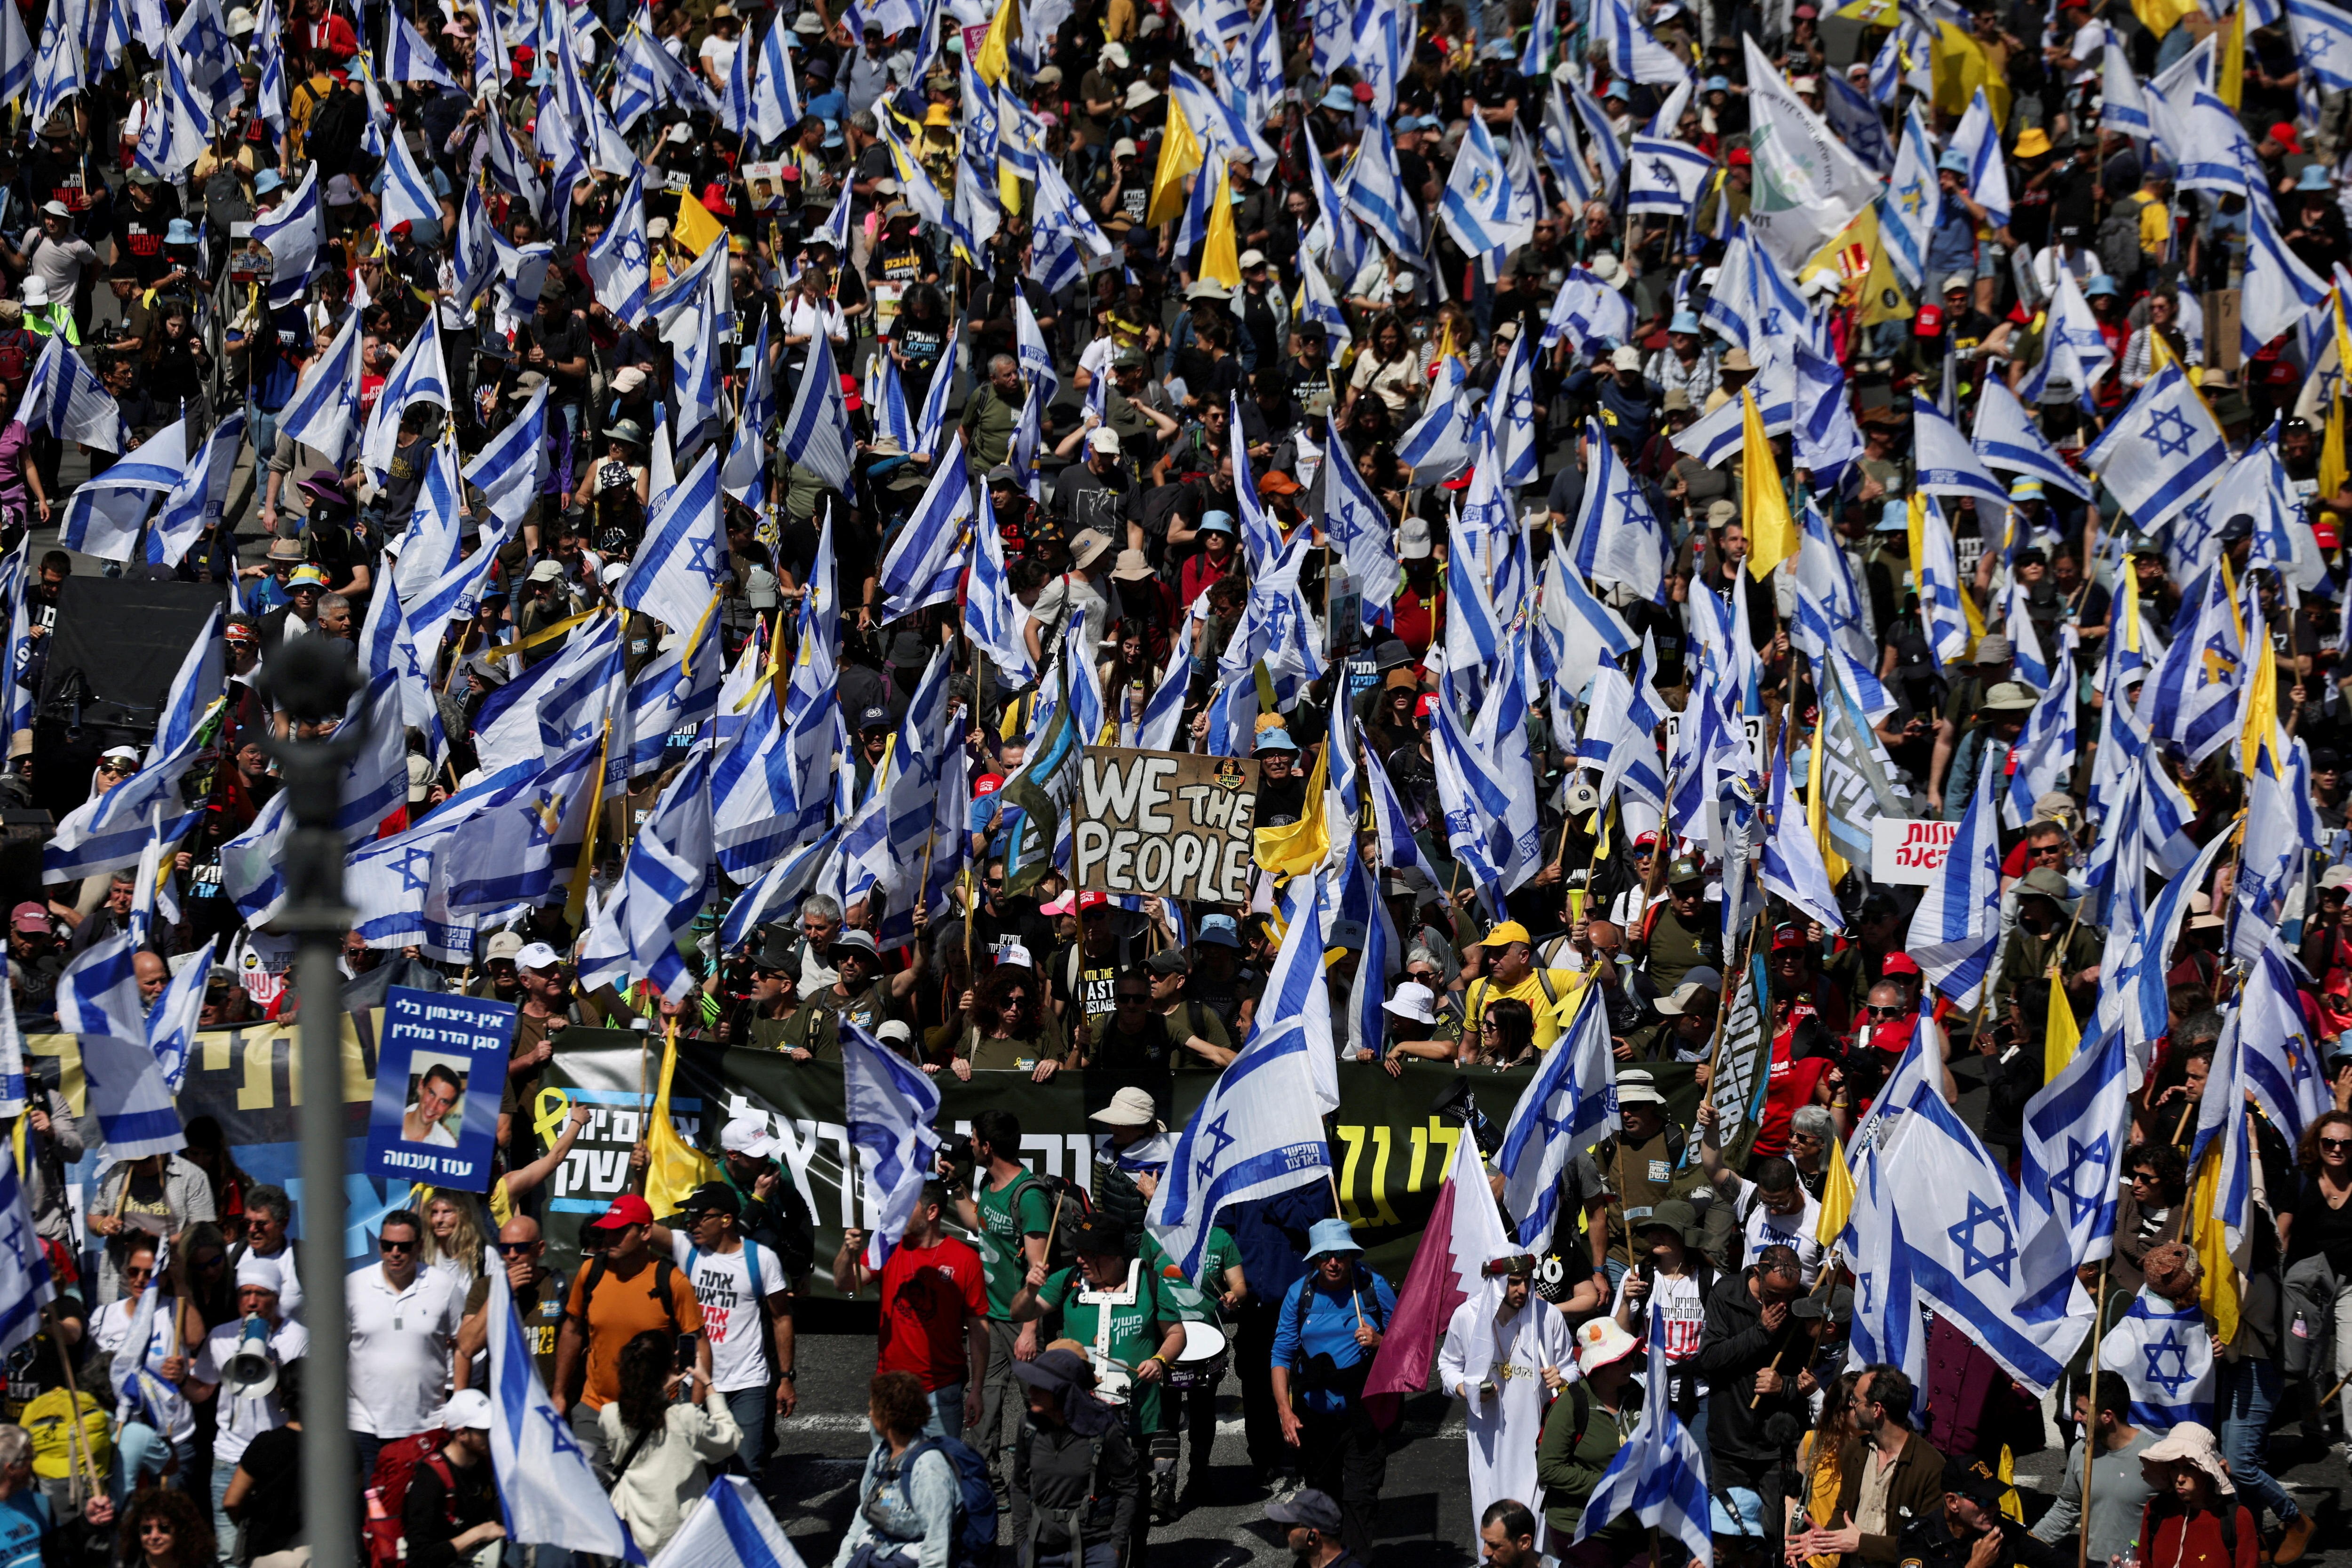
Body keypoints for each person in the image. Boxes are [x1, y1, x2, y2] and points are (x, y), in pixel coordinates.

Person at [552, 1193, 709, 1476]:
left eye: (621, 1231)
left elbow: (699, 1347)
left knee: (644, 1502)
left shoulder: (673, 1282)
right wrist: (560, 1393)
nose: (611, 1238)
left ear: (646, 1232)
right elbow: (573, 1331)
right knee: (589, 1494)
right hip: (594, 1410)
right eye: (608, 1231)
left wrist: (694, 1410)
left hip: (651, 1416)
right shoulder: (591, 1272)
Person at [1269, 1219, 1397, 1562]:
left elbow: (1407, 1345)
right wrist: (1285, 1410)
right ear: (1315, 1258)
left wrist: (1380, 1340)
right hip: (1316, 1421)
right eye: (1325, 1255)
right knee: (1322, 1504)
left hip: (1363, 1417)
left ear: (1350, 1254)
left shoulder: (1374, 1286)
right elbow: (1281, 1354)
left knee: (1360, 1501)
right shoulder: (1300, 1294)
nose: (1334, 1263)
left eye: (1340, 1254)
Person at [649, 1183, 795, 1475]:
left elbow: (782, 1318)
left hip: (747, 1384)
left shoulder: (761, 1260)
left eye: (700, 1217)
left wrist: (786, 1378)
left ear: (726, 1220)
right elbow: (642, 1227)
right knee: (702, 1468)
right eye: (688, 1218)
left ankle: (744, 1519)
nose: (691, 1224)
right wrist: (639, 1175)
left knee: (748, 1468)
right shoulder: (686, 1247)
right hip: (697, 1381)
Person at [835, 1181, 989, 1441]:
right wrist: (846, 1252)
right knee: (888, 1475)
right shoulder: (887, 1245)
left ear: (931, 1212)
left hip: (940, 1392)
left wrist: (977, 1389)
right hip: (891, 1390)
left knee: (939, 1474)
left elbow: (978, 1328)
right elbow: (845, 1283)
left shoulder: (965, 1260)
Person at [948, 1109, 1054, 1482]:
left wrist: (1029, 1330)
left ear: (988, 1146)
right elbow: (980, 1223)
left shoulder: (1029, 1197)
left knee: (1038, 1401)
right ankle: (984, 1476)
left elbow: (1037, 1272)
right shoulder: (989, 1187)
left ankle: (1049, 1472)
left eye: (975, 1138)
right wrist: (957, 1187)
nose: (970, 1144)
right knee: (985, 1397)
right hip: (989, 1318)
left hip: (1019, 1320)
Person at [1435, 1255, 1573, 1537]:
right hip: (1487, 1442)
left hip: (1536, 1441)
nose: (1523, 1289)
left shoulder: (1548, 1317)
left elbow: (1571, 1368)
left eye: (1526, 1280)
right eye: (1513, 1282)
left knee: (1529, 1531)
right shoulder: (1467, 1317)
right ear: (1495, 1283)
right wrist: (1464, 1388)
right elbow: (1447, 1365)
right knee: (1492, 1528)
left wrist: (1563, 1378)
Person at [184, 1254, 308, 1558]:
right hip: (230, 1456)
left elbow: (306, 1401)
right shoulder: (221, 1336)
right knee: (229, 1552)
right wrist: (178, 1380)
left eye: (261, 1293)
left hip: (278, 1459)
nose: (252, 1301)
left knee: (275, 1550)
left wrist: (274, 1367)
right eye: (245, 1293)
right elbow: (202, 1391)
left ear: (276, 1297)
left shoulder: (300, 1337)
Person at [598, 1329, 743, 1553]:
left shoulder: (610, 1417)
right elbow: (730, 1439)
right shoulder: (686, 1419)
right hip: (684, 1540)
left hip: (636, 1538)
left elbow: (645, 1410)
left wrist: (660, 1386)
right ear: (671, 1366)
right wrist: (707, 1384)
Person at [346, 1211, 465, 1483]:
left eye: (404, 1247)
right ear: (380, 1246)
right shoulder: (352, 1287)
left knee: (418, 1512)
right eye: (388, 1246)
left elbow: (463, 1345)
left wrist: (457, 1401)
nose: (395, 1253)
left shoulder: (444, 1287)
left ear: (421, 1246)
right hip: (364, 1425)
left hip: (427, 1425)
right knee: (373, 1513)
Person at [1791, 1363, 1944, 1564]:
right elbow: (1843, 1511)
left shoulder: (1930, 1466)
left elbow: (1927, 1544)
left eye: (1856, 1400)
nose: (1852, 1405)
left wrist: (1862, 1543)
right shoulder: (1855, 1452)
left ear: (1876, 1410)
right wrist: (1825, 1539)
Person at [1009, 1345, 1141, 1568]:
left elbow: (1128, 1489)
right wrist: (1021, 1541)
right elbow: (1019, 1485)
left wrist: (1115, 1547)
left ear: (1063, 1392)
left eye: (1040, 1387)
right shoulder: (1028, 1426)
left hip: (1095, 1550)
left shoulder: (1105, 1428)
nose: (1031, 1391)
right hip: (1041, 1550)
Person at [1534, 1316, 1643, 1561]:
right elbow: (1549, 1469)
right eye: (1622, 1360)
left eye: (1632, 1357)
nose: (1631, 1365)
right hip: (1580, 1530)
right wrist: (1609, 1484)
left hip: (1632, 1528)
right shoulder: (1570, 1405)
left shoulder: (1639, 1395)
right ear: (1600, 1366)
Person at [830, 1371, 963, 1568]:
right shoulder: (879, 1456)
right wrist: (842, 1563)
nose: (870, 1414)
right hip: (878, 1555)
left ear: (888, 1418)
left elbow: (936, 1546)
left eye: (873, 1408)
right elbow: (863, 1517)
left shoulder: (929, 1469)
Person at [399, 1389, 504, 1568]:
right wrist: (477, 1534)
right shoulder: (430, 1480)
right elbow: (420, 1557)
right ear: (462, 1434)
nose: (492, 1436)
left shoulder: (482, 1464)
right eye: (485, 1431)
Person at [2133, 1422, 2259, 1568]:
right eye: (2174, 1467)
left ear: (2207, 1472)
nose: (2180, 1478)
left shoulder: (2237, 1519)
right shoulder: (2156, 1510)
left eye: (2189, 1468)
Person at [400, 1064, 464, 1146]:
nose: (433, 1107)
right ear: (421, 1087)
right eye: (432, 1093)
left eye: (444, 1101)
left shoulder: (448, 1145)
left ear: (450, 1108)